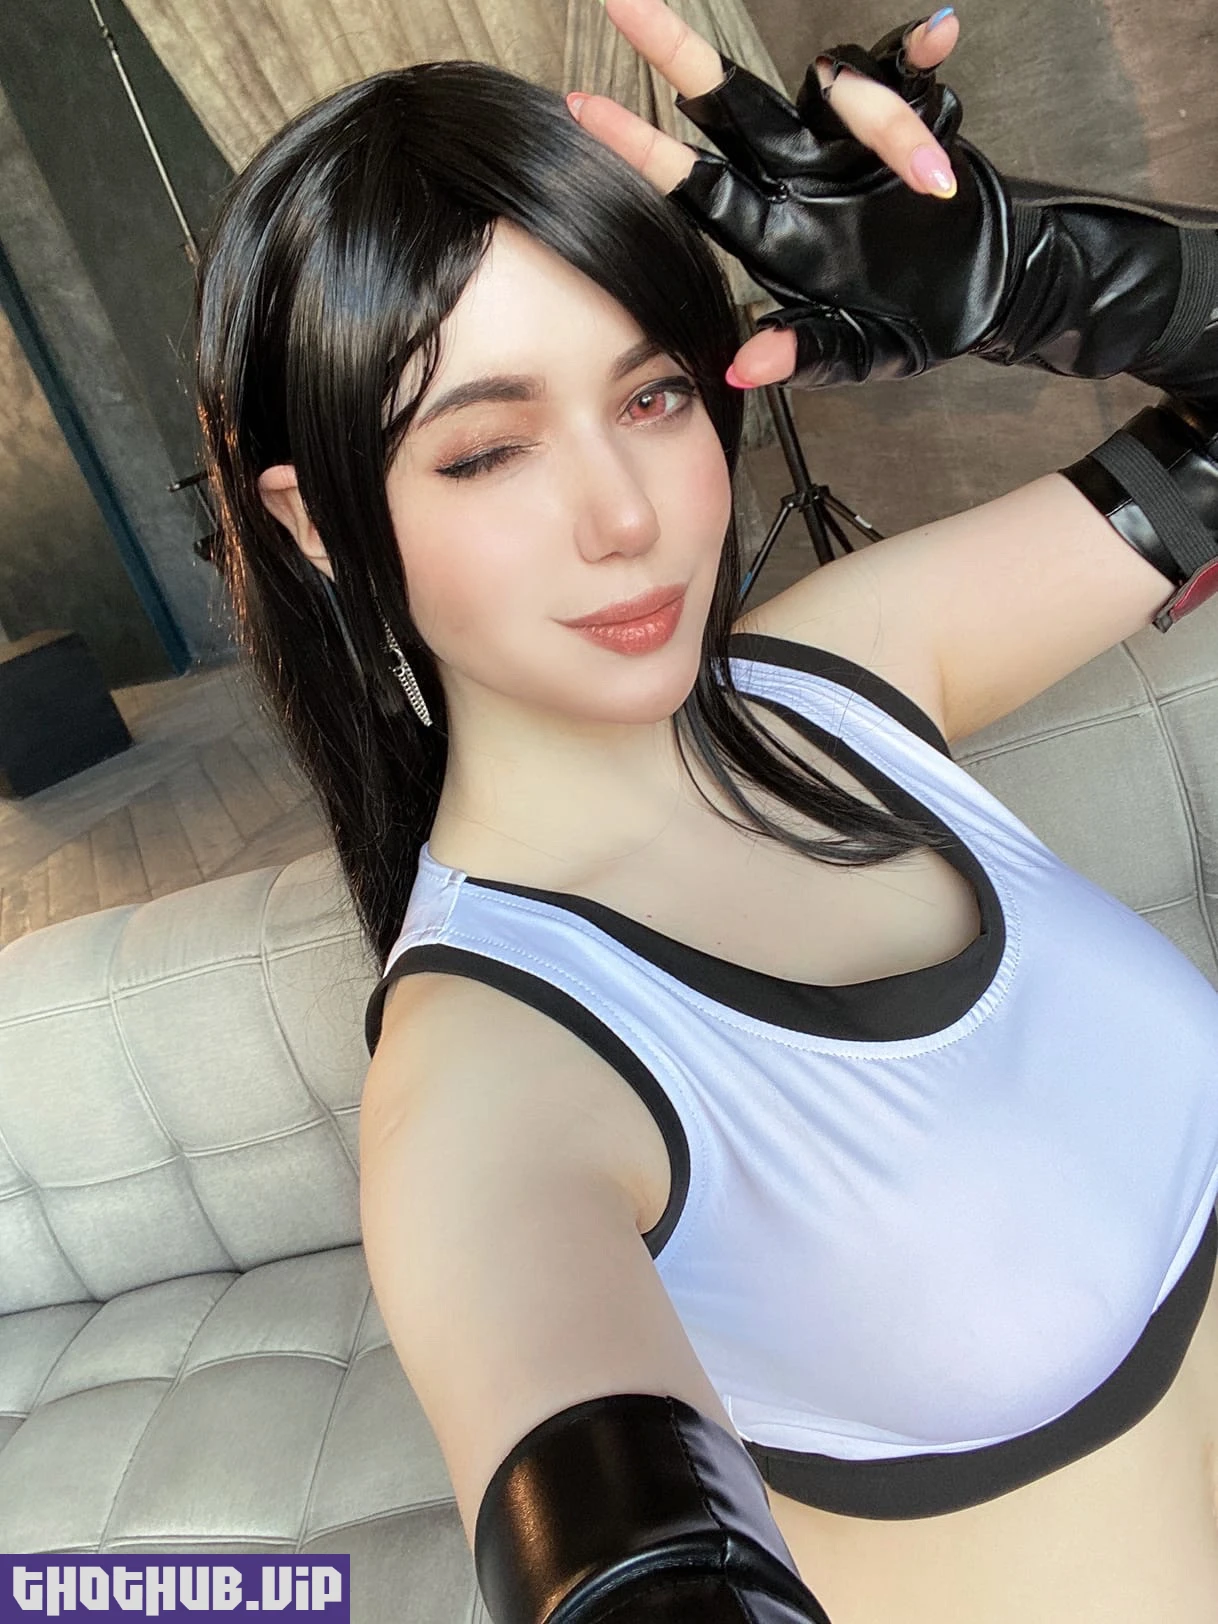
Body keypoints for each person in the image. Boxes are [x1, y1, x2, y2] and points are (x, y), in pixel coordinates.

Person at [192, 1, 1218, 1618]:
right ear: (317, 520)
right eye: (486, 452)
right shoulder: (484, 1084)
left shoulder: (842, 677)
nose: (624, 517)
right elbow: (616, 1536)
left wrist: (1045, 277)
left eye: (654, 397)